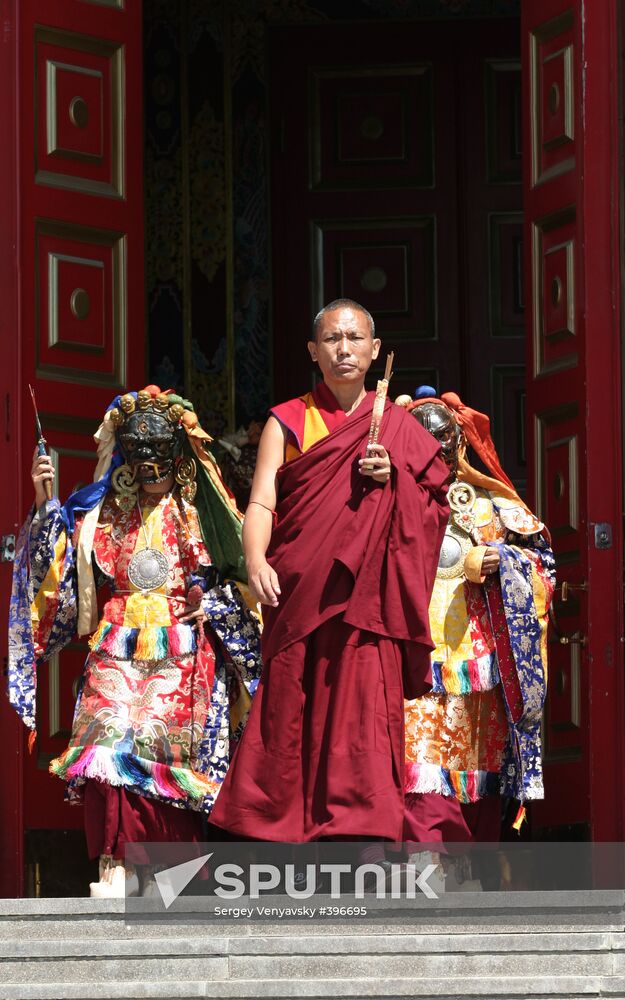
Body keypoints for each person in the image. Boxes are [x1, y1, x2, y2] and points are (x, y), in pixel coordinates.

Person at [209, 300, 449, 842]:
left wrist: (394, 480)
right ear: (313, 352)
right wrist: (253, 561)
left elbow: (436, 506)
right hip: (301, 587)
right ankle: (275, 831)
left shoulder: (400, 425)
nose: (344, 349)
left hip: (368, 596)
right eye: (333, 340)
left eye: (355, 339)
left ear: (375, 351)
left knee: (361, 708)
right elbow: (262, 502)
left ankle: (359, 832)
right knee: (290, 705)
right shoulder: (286, 420)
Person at [8, 385, 262, 895]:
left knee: (167, 755)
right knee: (106, 742)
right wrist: (45, 504)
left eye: (159, 463)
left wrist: (207, 600)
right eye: (140, 462)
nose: (149, 474)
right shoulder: (105, 509)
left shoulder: (201, 509)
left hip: (184, 645)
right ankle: (114, 860)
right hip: (117, 640)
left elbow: (237, 579)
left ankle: (168, 870)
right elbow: (61, 570)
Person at [399, 388, 555, 848]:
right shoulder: (389, 504)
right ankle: (421, 868)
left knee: (474, 771)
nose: (435, 450)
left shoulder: (492, 506)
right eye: (422, 440)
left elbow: (542, 566)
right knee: (417, 769)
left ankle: (470, 872)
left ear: (459, 443)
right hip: (414, 661)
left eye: (444, 440)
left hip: (479, 666)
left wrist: (500, 562)